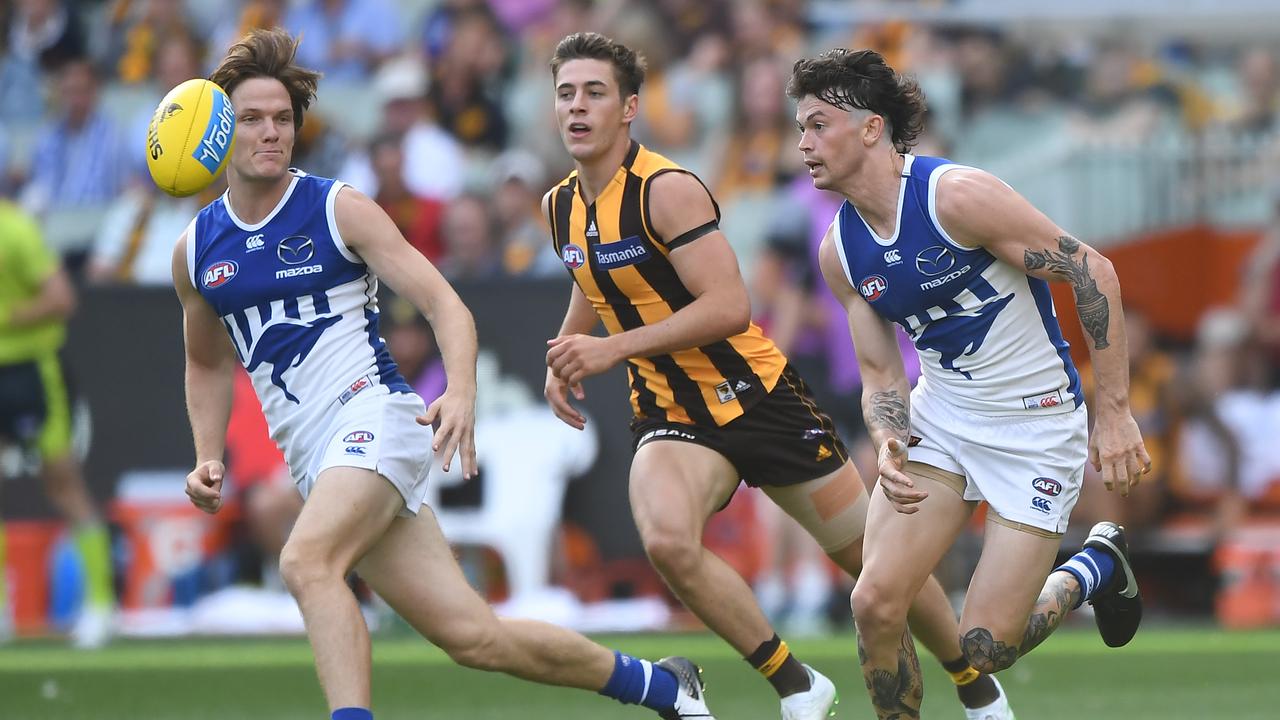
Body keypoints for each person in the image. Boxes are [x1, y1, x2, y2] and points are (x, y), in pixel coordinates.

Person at [174, 28, 713, 720]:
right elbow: (205, 360)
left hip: (376, 420)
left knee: (306, 563)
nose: (272, 132)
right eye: (252, 119)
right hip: (320, 460)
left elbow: (445, 305)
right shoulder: (197, 250)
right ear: (220, 131)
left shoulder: (336, 208)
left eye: (283, 118)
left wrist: (460, 391)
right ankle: (663, 687)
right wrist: (208, 456)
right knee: (475, 638)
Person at [541, 32, 1008, 720]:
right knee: (669, 540)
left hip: (760, 402)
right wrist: (569, 345)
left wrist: (612, 349)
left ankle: (974, 684)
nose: (577, 107)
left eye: (594, 92)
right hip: (672, 412)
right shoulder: (560, 206)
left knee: (876, 566)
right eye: (565, 94)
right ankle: (797, 684)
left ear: (630, 107)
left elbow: (731, 307)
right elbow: (593, 272)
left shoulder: (666, 191)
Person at [789, 48, 1151, 719]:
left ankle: (1092, 569)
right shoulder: (839, 251)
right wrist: (889, 437)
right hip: (944, 417)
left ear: (871, 129)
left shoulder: (953, 196)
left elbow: (1092, 273)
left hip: (1035, 427)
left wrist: (1116, 412)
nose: (803, 143)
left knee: (984, 647)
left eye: (817, 124)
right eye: (800, 127)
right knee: (873, 603)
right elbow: (880, 375)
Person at [0, 198, 115, 647]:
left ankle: (101, 606)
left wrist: (6, 319)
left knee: (63, 483)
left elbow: (61, 298)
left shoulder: (15, 230)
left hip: (32, 371)